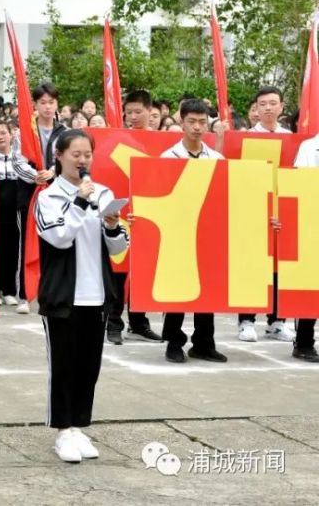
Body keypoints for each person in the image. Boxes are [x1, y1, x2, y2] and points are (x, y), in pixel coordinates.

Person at [35, 129, 128, 463]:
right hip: (63, 295)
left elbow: (118, 249)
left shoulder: (104, 193)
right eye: (75, 154)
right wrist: (79, 201)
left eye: (87, 154)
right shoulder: (48, 197)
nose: (83, 160)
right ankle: (61, 430)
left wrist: (112, 225)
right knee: (63, 365)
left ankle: (78, 426)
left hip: (97, 293)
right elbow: (58, 237)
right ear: (58, 157)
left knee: (89, 366)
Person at [159, 99, 227, 363]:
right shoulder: (168, 158)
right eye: (192, 122)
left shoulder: (217, 159)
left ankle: (203, 342)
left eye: (202, 122)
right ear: (181, 121)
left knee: (206, 287)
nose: (197, 127)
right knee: (178, 288)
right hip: (178, 232)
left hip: (208, 233)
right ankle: (173, 341)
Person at [238, 87, 295, 342]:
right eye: (263, 104)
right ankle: (246, 320)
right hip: (252, 210)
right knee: (252, 265)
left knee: (279, 267)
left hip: (282, 210)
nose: (268, 108)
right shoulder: (245, 138)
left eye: (273, 103)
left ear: (282, 107)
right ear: (256, 109)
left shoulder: (292, 139)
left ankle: (277, 321)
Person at [106, 90, 162, 345]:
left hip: (150, 213)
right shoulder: (117, 140)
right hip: (124, 212)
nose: (133, 117)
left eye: (138, 112)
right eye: (128, 112)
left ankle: (139, 322)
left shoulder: (161, 142)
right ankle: (113, 322)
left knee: (143, 270)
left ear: (151, 112)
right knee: (118, 269)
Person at [0, 121, 39, 313]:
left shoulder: (21, 160)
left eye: (4, 133)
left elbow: (33, 179)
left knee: (13, 251)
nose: (0, 137)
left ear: (11, 135)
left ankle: (9, 290)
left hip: (15, 213)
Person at [290, 133, 319, 362]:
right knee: (311, 286)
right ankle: (304, 342)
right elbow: (301, 185)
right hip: (314, 223)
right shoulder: (310, 148)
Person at [33, 83, 65, 172]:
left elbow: (67, 158)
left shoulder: (65, 132)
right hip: (31, 182)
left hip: (57, 182)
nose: (47, 107)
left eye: (51, 102)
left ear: (56, 104)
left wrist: (52, 171)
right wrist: (36, 175)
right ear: (35, 105)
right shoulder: (28, 131)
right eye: (43, 103)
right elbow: (18, 161)